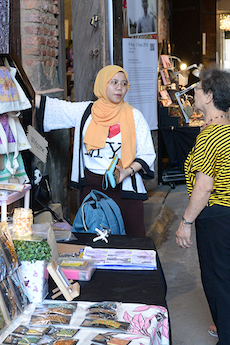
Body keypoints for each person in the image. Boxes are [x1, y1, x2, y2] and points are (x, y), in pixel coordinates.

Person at [175, 68, 230, 345]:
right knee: (228, 277)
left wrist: (186, 222)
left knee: (217, 279)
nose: (193, 93)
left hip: (218, 218)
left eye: (197, 89)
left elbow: (204, 188)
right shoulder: (229, 129)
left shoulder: (210, 137)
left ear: (208, 96)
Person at [35, 65, 155, 237]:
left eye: (124, 83)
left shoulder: (134, 116)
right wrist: (20, 91)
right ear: (101, 84)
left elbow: (147, 153)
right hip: (92, 188)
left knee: (132, 243)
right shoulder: (85, 112)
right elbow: (53, 108)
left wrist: (126, 172)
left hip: (124, 188)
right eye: (113, 82)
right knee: (94, 240)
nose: (119, 87)